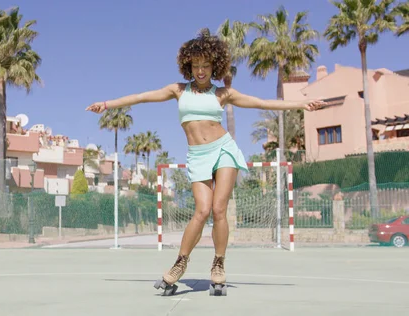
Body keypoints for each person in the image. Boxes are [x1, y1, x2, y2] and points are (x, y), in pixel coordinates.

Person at [85, 31, 324, 290]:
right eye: (196, 65)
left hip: (223, 150)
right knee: (201, 211)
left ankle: (218, 264)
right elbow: (141, 97)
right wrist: (107, 105)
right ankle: (180, 263)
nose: (200, 70)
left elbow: (262, 102)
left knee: (219, 209)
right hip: (197, 156)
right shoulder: (177, 90)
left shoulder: (223, 93)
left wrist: (303, 104)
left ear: (214, 66)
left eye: (205, 65)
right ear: (189, 66)